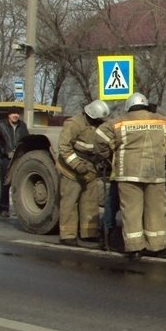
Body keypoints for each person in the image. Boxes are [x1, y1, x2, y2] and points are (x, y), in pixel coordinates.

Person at [94, 92, 166, 259]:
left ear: (129, 107)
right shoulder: (159, 120)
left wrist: (107, 153)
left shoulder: (119, 122)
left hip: (128, 174)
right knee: (156, 211)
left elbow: (100, 136)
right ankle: (157, 246)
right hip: (155, 173)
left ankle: (134, 248)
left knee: (131, 211)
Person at [56, 99, 110, 248]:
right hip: (71, 171)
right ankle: (67, 235)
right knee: (70, 202)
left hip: (90, 170)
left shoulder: (99, 125)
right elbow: (64, 147)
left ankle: (89, 233)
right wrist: (77, 165)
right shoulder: (74, 124)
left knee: (90, 202)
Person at [0, 106, 29, 218]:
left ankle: (20, 210)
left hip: (19, 159)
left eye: (17, 113)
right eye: (13, 113)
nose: (15, 115)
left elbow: (27, 140)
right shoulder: (1, 125)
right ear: (9, 115)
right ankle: (3, 209)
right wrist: (3, 151)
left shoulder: (22, 126)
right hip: (6, 159)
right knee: (5, 185)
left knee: (20, 185)